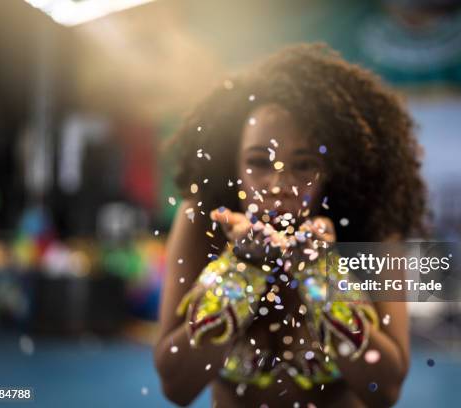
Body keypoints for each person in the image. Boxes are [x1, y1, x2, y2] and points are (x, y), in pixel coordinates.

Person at [154, 43, 426, 407]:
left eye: (303, 165)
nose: (279, 186)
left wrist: (319, 275)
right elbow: (177, 387)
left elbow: (385, 389)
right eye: (258, 163)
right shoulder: (202, 222)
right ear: (230, 164)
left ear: (334, 170)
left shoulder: (372, 227)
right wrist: (242, 270)